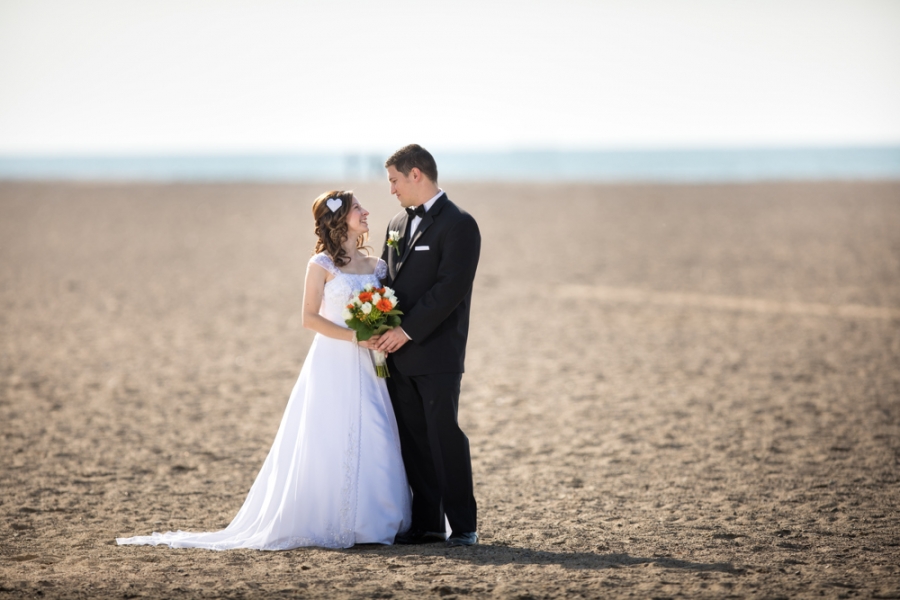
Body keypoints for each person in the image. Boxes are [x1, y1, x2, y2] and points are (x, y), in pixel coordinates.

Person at [116, 191, 411, 550]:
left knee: (377, 429)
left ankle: (377, 519)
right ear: (339, 220)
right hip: (334, 360)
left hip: (371, 364)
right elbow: (309, 318)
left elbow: (386, 306)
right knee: (331, 433)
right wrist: (355, 337)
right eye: (357, 209)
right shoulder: (320, 264)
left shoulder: (378, 266)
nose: (366, 213)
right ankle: (338, 518)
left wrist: (378, 330)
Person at [375, 144, 481, 547]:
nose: (391, 190)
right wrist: (378, 325)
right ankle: (428, 524)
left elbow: (449, 289)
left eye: (394, 180)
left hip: (437, 353)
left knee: (443, 436)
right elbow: (386, 283)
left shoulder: (460, 225)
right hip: (397, 355)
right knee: (414, 440)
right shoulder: (397, 224)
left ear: (416, 174)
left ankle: (464, 526)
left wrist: (407, 331)